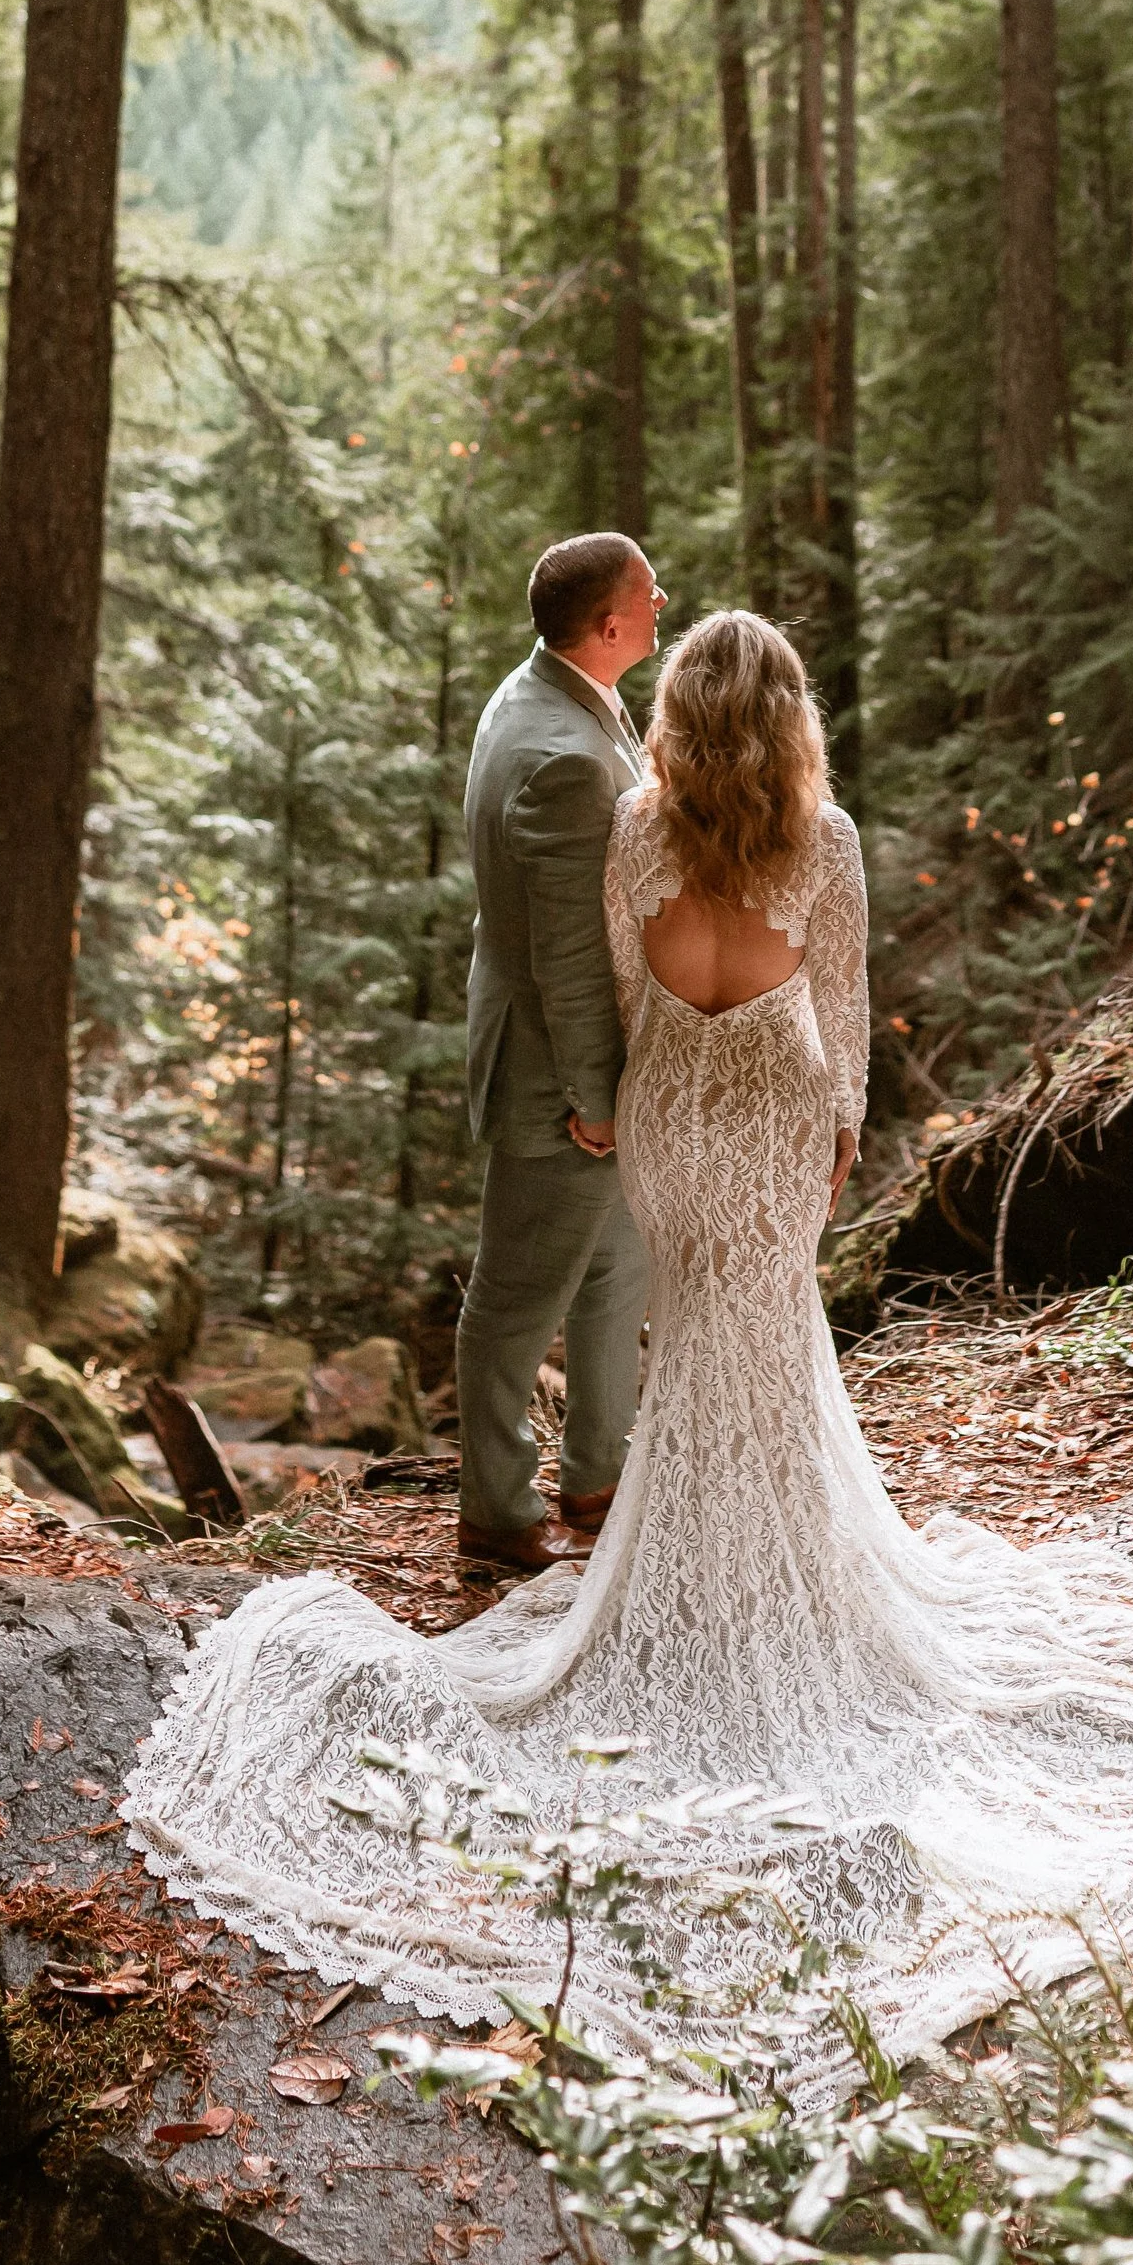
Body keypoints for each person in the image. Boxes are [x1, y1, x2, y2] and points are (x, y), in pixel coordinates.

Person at [126, 610, 1133, 2094]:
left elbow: (623, 979)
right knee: (767, 1340)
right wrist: (844, 1128)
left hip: (679, 1119)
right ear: (793, 717)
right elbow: (850, 1001)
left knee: (701, 1343)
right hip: (773, 1111)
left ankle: (709, 1578)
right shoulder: (830, 834)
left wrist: (645, 1092)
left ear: (677, 713)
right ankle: (777, 1581)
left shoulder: (634, 825)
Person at [453, 530, 661, 1574]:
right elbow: (568, 954)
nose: (662, 602)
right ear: (612, 623)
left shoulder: (537, 695)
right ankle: (493, 1508)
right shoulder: (566, 761)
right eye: (648, 592)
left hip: (584, 1061)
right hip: (558, 1071)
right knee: (515, 1296)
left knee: (614, 1275)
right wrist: (595, 1093)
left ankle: (597, 1474)